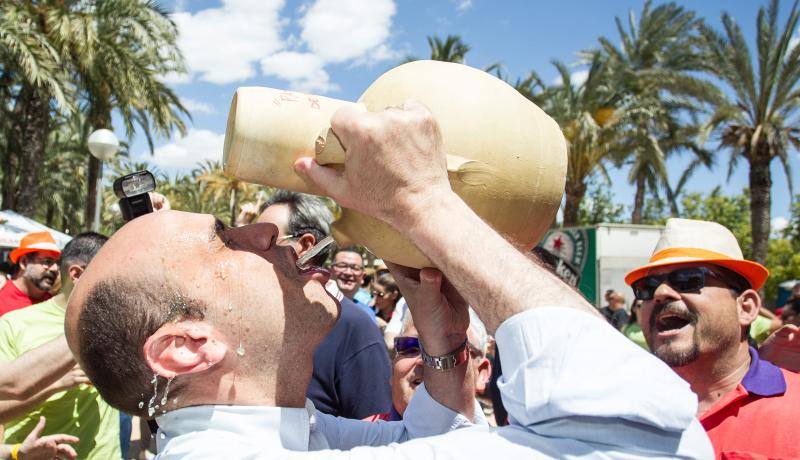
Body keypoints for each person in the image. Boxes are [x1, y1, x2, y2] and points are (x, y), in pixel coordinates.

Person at [65, 100, 711, 458]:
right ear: (187, 344)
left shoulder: (286, 438)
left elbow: (423, 442)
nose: (262, 232)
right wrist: (428, 206)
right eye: (224, 241)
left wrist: (441, 334)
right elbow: (655, 444)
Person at [625, 217, 800, 459]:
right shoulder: (619, 406)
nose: (660, 293)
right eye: (647, 286)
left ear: (746, 308)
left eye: (688, 279)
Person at [257, 190, 392, 419]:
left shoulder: (354, 328)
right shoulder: (253, 316)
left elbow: (374, 432)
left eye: (261, 240)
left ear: (306, 246)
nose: (249, 251)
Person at [0, 232, 119, 459]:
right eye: (111, 274)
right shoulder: (13, 325)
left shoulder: (116, 320)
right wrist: (54, 384)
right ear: (77, 275)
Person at [366, 308, 491, 422]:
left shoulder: (498, 446)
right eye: (410, 346)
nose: (426, 360)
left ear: (481, 373)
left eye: (447, 350)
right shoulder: (360, 440)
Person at [0, 232, 61, 316]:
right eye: (47, 261)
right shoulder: (2, 299)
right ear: (24, 262)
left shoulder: (54, 304)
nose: (55, 269)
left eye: (58, 263)